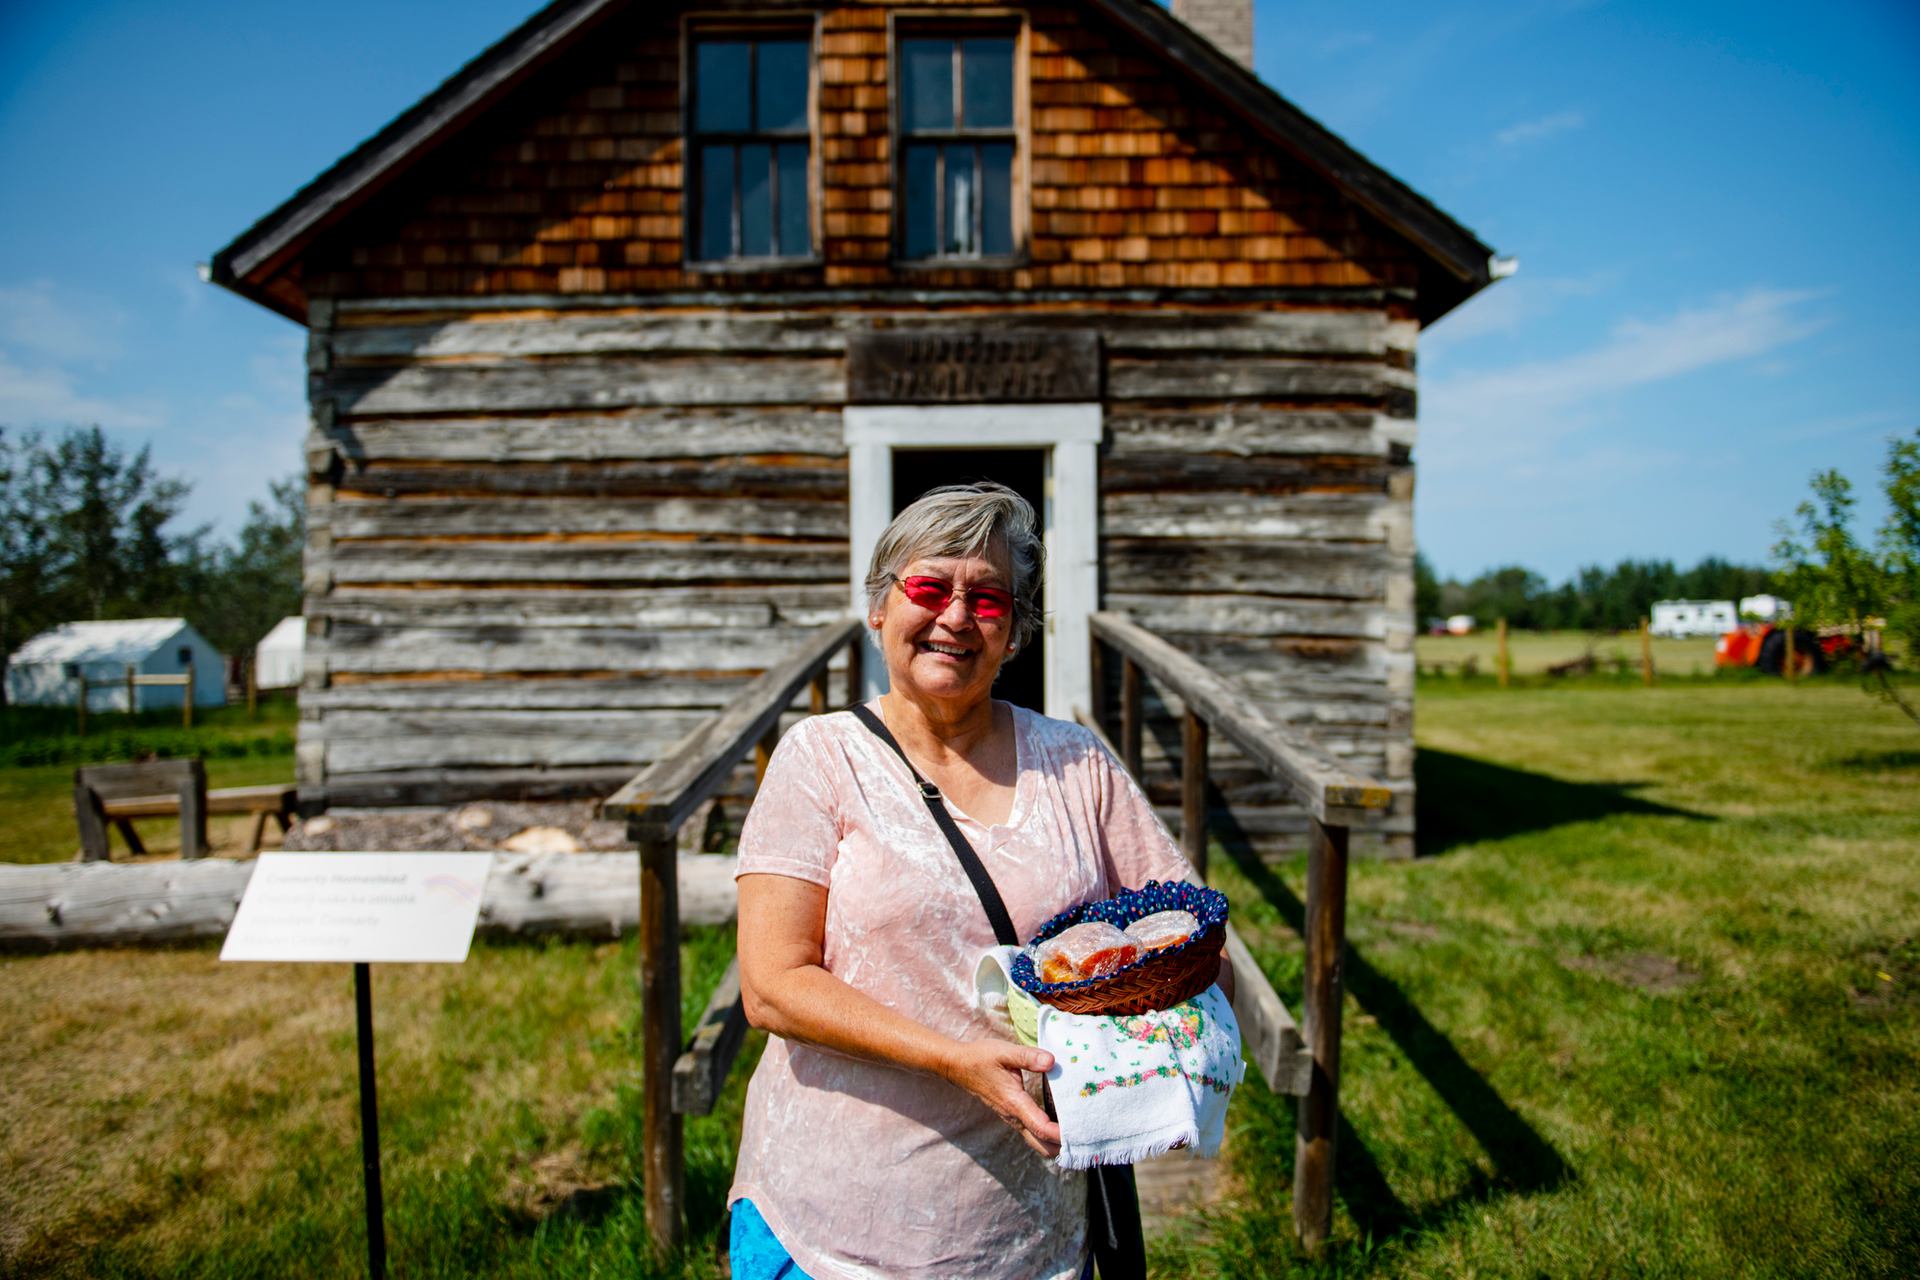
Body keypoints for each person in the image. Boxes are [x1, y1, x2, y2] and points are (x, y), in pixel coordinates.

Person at [729, 482, 1229, 1279]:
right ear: (880, 610)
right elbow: (773, 985)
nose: (956, 618)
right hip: (829, 1225)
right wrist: (952, 1057)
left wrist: (1127, 1071)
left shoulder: (1077, 764)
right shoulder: (819, 761)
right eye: (928, 589)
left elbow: (1199, 949)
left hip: (1028, 1236)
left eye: (988, 600)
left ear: (1015, 632)